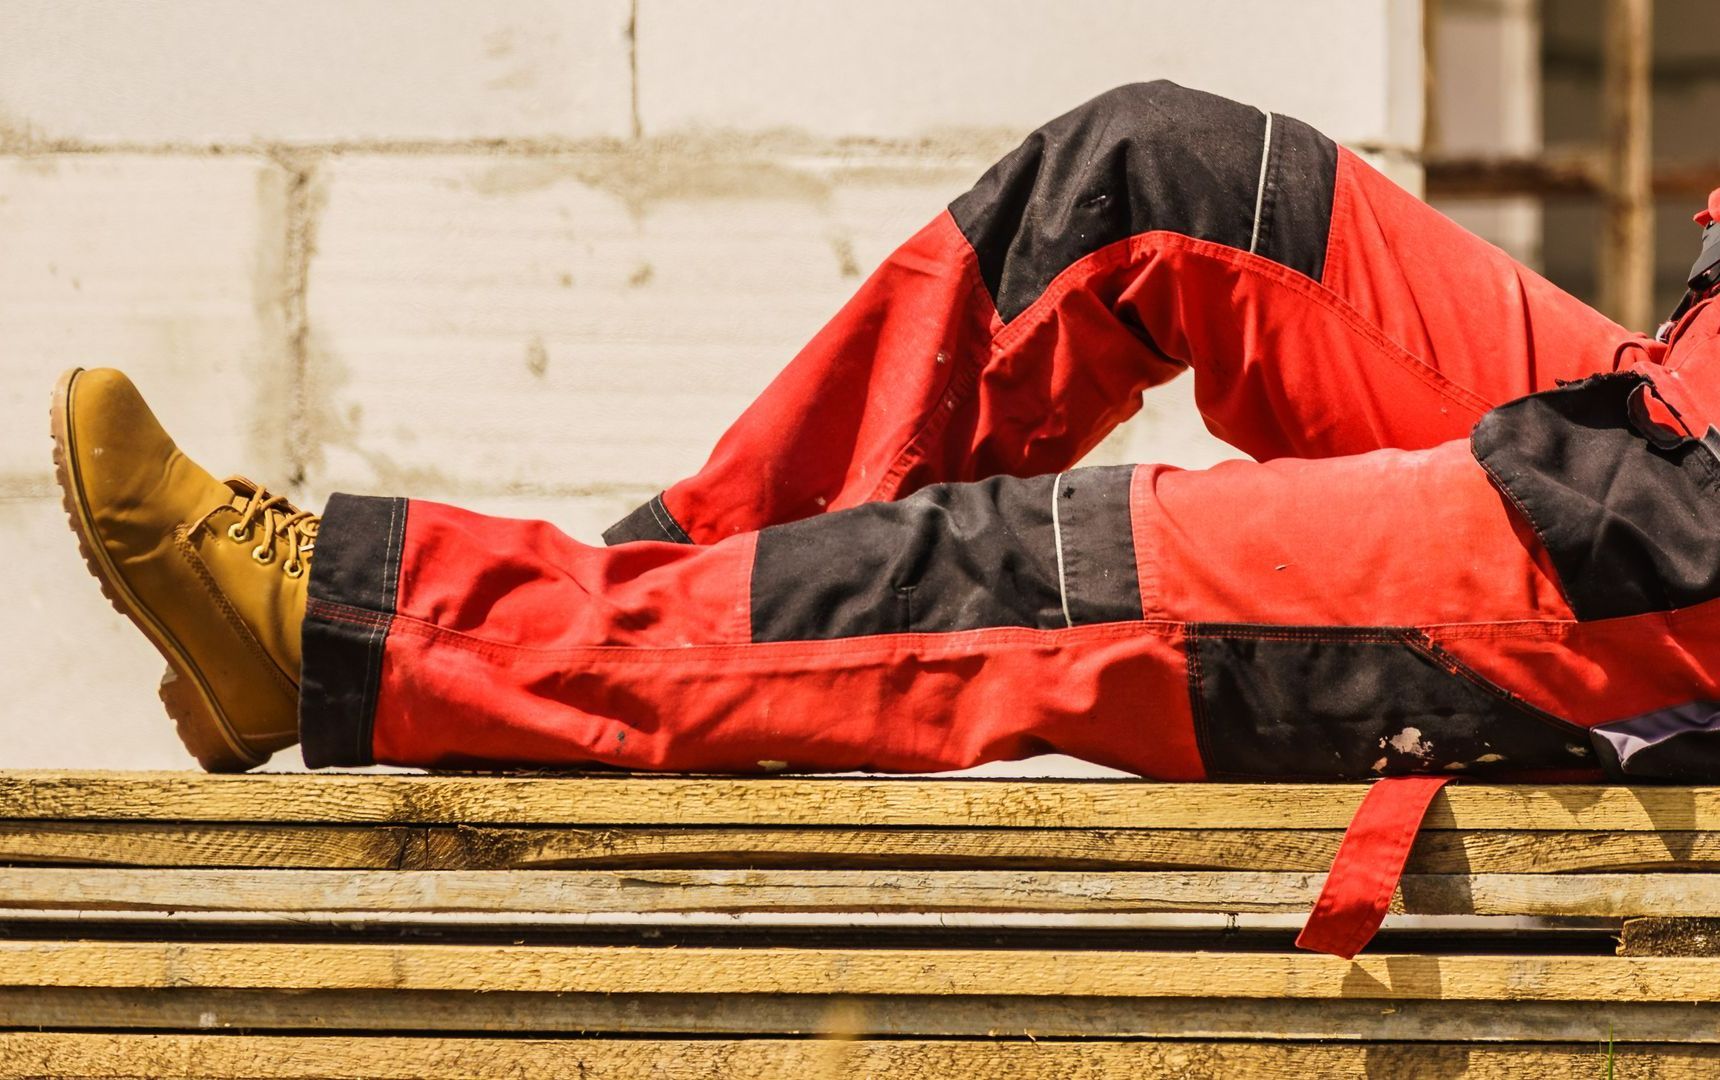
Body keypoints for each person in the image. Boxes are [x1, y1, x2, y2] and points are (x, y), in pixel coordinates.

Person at [50, 82, 1720, 955]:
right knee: (1147, 178)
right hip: (1671, 410)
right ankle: (589, 637)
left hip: (1673, 547)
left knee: (1030, 570)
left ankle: (385, 634)